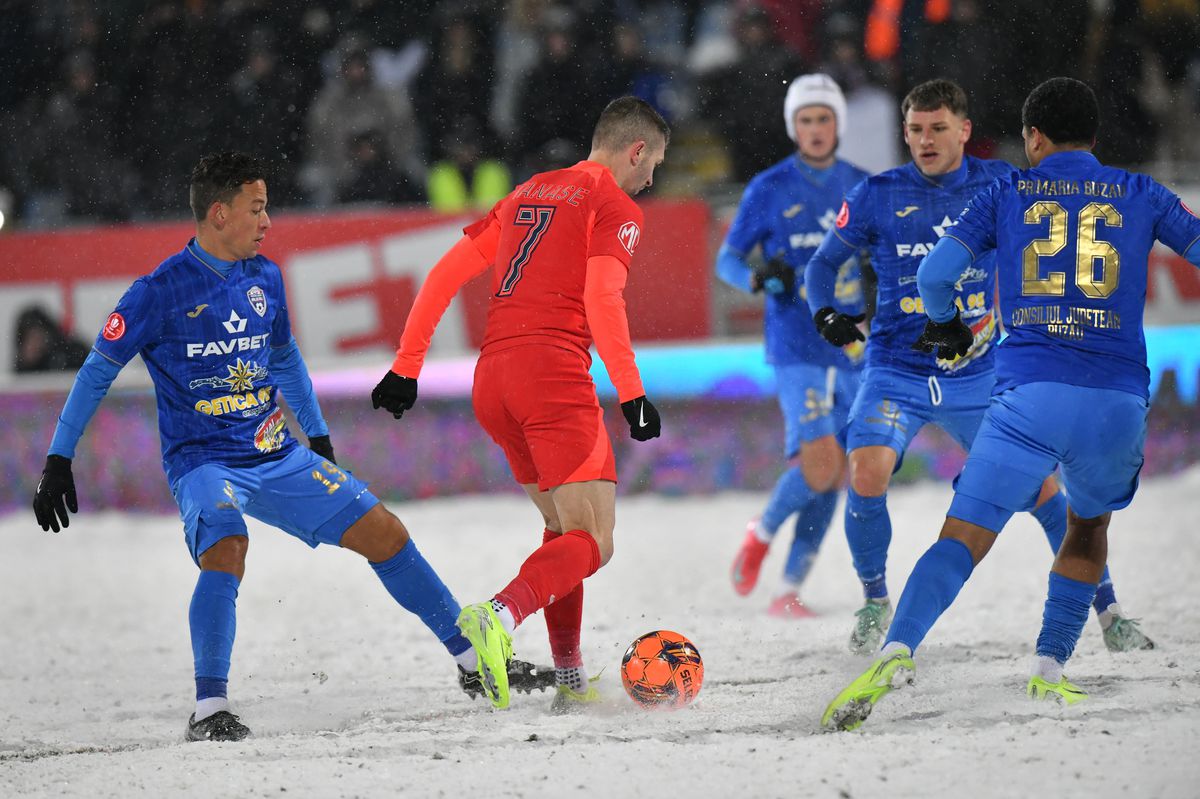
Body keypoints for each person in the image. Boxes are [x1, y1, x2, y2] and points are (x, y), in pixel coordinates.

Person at [30, 152, 552, 743]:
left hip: (277, 454)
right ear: (220, 214)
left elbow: (284, 359)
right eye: (257, 208)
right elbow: (95, 373)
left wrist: (319, 436)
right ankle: (209, 709)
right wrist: (58, 458)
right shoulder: (157, 292)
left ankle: (470, 665)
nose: (268, 221)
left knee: (387, 533)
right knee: (227, 547)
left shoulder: (266, 278)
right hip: (205, 462)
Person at [820, 77, 1200, 731]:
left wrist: (942, 323)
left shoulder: (1007, 189)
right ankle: (1049, 668)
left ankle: (897, 649)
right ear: (1096, 137)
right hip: (1114, 400)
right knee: (1086, 527)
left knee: (962, 536)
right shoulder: (1143, 193)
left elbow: (938, 275)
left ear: (1033, 138)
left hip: (1025, 398)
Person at [372, 97, 668, 711]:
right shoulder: (616, 205)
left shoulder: (530, 189)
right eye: (653, 163)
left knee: (563, 529)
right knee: (595, 540)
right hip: (552, 376)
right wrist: (633, 394)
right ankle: (500, 615)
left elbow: (445, 275)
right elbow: (603, 300)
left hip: (494, 380)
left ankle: (568, 679)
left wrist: (406, 366)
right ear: (636, 149)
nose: (652, 179)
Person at [718, 74, 868, 618]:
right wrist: (760, 278)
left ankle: (788, 591)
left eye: (824, 118)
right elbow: (727, 262)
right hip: (795, 344)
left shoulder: (863, 185)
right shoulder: (769, 187)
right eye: (805, 119)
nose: (815, 129)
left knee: (833, 474)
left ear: (838, 125)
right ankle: (761, 533)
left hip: (852, 347)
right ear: (793, 126)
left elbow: (887, 260)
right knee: (820, 460)